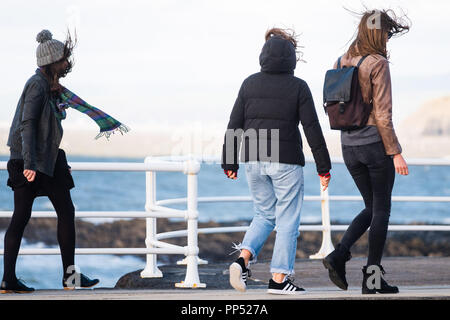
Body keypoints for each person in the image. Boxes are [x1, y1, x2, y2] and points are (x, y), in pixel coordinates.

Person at [222, 28, 331, 295]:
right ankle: (279, 280)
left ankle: (242, 260)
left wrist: (229, 162)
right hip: (285, 161)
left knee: (264, 215)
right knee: (287, 221)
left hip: (253, 158)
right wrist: (323, 166)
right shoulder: (299, 86)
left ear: (263, 56)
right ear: (292, 59)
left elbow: (234, 123)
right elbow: (311, 127)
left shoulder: (249, 83)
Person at [1, 30, 99, 293]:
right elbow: (28, 124)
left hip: (45, 159)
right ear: (53, 60)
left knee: (60, 212)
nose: (67, 63)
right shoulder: (37, 84)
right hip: (28, 159)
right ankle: (12, 279)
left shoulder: (49, 85)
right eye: (64, 59)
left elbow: (47, 130)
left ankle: (65, 277)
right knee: (27, 217)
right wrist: (30, 164)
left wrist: (58, 159)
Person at [321, 9, 410, 294]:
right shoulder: (378, 63)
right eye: (385, 32)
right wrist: (395, 152)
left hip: (348, 147)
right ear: (378, 33)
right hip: (374, 145)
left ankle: (339, 253)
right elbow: (383, 115)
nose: (386, 38)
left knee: (371, 207)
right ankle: (372, 280)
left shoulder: (340, 60)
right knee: (382, 208)